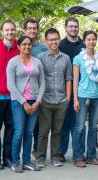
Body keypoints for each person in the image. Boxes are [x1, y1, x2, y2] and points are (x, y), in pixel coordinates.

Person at [6, 36, 45, 173]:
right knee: (19, 132)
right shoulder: (13, 62)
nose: (27, 47)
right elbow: (11, 85)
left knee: (29, 132)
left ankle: (27, 161)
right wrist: (24, 103)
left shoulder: (37, 62)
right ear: (18, 46)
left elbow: (42, 84)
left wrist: (38, 101)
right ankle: (15, 162)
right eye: (24, 44)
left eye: (29, 44)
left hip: (34, 102)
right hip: (18, 102)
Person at [36, 28, 72, 168]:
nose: (54, 42)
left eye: (56, 39)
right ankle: (40, 157)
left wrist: (68, 97)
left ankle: (55, 157)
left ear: (59, 39)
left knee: (57, 131)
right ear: (46, 41)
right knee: (43, 131)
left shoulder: (66, 58)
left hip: (61, 100)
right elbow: (37, 79)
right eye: (51, 39)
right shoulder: (40, 58)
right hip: (45, 100)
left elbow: (68, 78)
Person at [72, 30, 98, 167]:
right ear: (84, 41)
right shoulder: (78, 58)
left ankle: (91, 156)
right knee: (80, 127)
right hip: (82, 96)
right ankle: (78, 157)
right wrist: (75, 99)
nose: (91, 42)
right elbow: (75, 79)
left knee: (93, 128)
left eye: (93, 39)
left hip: (97, 96)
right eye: (88, 39)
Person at [58, 17, 86, 162]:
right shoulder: (60, 45)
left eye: (76, 26)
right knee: (63, 122)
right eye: (71, 26)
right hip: (63, 90)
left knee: (79, 124)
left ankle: (79, 153)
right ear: (66, 28)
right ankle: (61, 153)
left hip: (81, 90)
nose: (73, 29)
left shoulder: (84, 45)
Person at [24, 18, 48, 158]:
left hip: (37, 93)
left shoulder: (43, 48)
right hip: (20, 93)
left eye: (34, 28)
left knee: (37, 126)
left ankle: (36, 151)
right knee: (20, 128)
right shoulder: (19, 45)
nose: (32, 30)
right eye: (29, 28)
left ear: (37, 30)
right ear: (25, 30)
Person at [0, 20, 19, 169]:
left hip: (14, 97)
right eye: (7, 30)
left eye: (12, 30)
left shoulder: (20, 47)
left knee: (11, 129)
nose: (10, 32)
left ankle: (7, 158)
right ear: (2, 32)